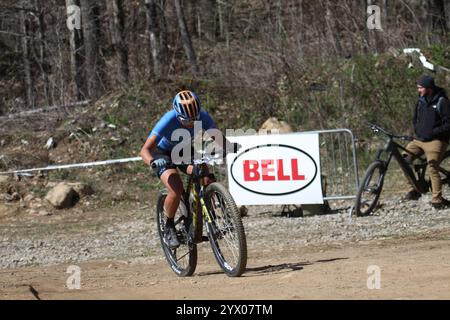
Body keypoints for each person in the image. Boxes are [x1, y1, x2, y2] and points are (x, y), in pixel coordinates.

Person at [140, 90, 239, 248]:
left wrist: (228, 146)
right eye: (186, 120)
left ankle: (211, 214)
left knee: (205, 174)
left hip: (183, 150)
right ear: (177, 114)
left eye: (194, 119)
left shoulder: (203, 116)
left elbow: (216, 136)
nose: (191, 123)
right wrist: (152, 162)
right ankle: (169, 226)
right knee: (176, 189)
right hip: (162, 153)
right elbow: (144, 150)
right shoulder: (167, 120)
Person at [403, 75, 450, 209]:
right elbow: (415, 119)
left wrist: (433, 132)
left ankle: (437, 200)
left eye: (420, 87)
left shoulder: (442, 101)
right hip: (420, 140)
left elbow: (448, 125)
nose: (418, 90)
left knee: (432, 168)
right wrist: (418, 131)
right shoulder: (421, 100)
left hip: (437, 140)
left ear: (429, 88)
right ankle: (416, 189)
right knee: (404, 160)